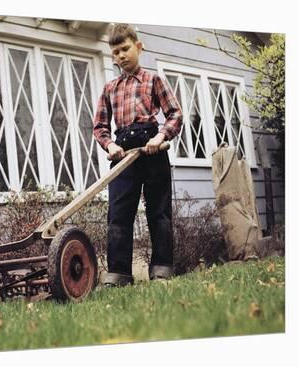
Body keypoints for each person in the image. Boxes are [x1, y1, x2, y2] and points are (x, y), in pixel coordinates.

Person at [92, 24, 182, 287]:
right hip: (123, 152)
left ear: (138, 47)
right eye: (116, 51)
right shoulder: (110, 88)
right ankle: (119, 273)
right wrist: (109, 146)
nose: (121, 55)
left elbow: (175, 113)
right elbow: (100, 126)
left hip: (152, 148)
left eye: (126, 49)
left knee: (159, 211)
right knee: (119, 213)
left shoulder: (154, 80)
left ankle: (162, 267)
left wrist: (160, 137)